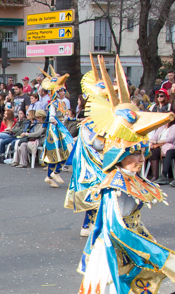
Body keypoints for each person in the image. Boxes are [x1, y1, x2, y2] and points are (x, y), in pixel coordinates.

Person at [76, 55, 175, 294]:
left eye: (141, 153)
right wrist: (157, 254)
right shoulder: (114, 184)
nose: (140, 159)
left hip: (129, 250)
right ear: (120, 155)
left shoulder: (134, 179)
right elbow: (114, 228)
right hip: (112, 254)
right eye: (133, 154)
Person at [65, 61, 112, 237]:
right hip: (95, 163)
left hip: (93, 163)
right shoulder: (93, 123)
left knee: (98, 193)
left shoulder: (97, 121)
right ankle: (93, 224)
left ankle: (90, 224)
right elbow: (97, 144)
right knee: (99, 192)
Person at [39, 68, 74, 188]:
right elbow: (53, 117)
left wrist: (71, 119)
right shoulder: (53, 104)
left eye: (63, 90)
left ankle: (50, 176)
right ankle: (55, 172)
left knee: (64, 151)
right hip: (55, 131)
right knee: (57, 153)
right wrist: (55, 121)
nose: (63, 92)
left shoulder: (63, 103)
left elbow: (65, 117)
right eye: (61, 91)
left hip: (60, 129)